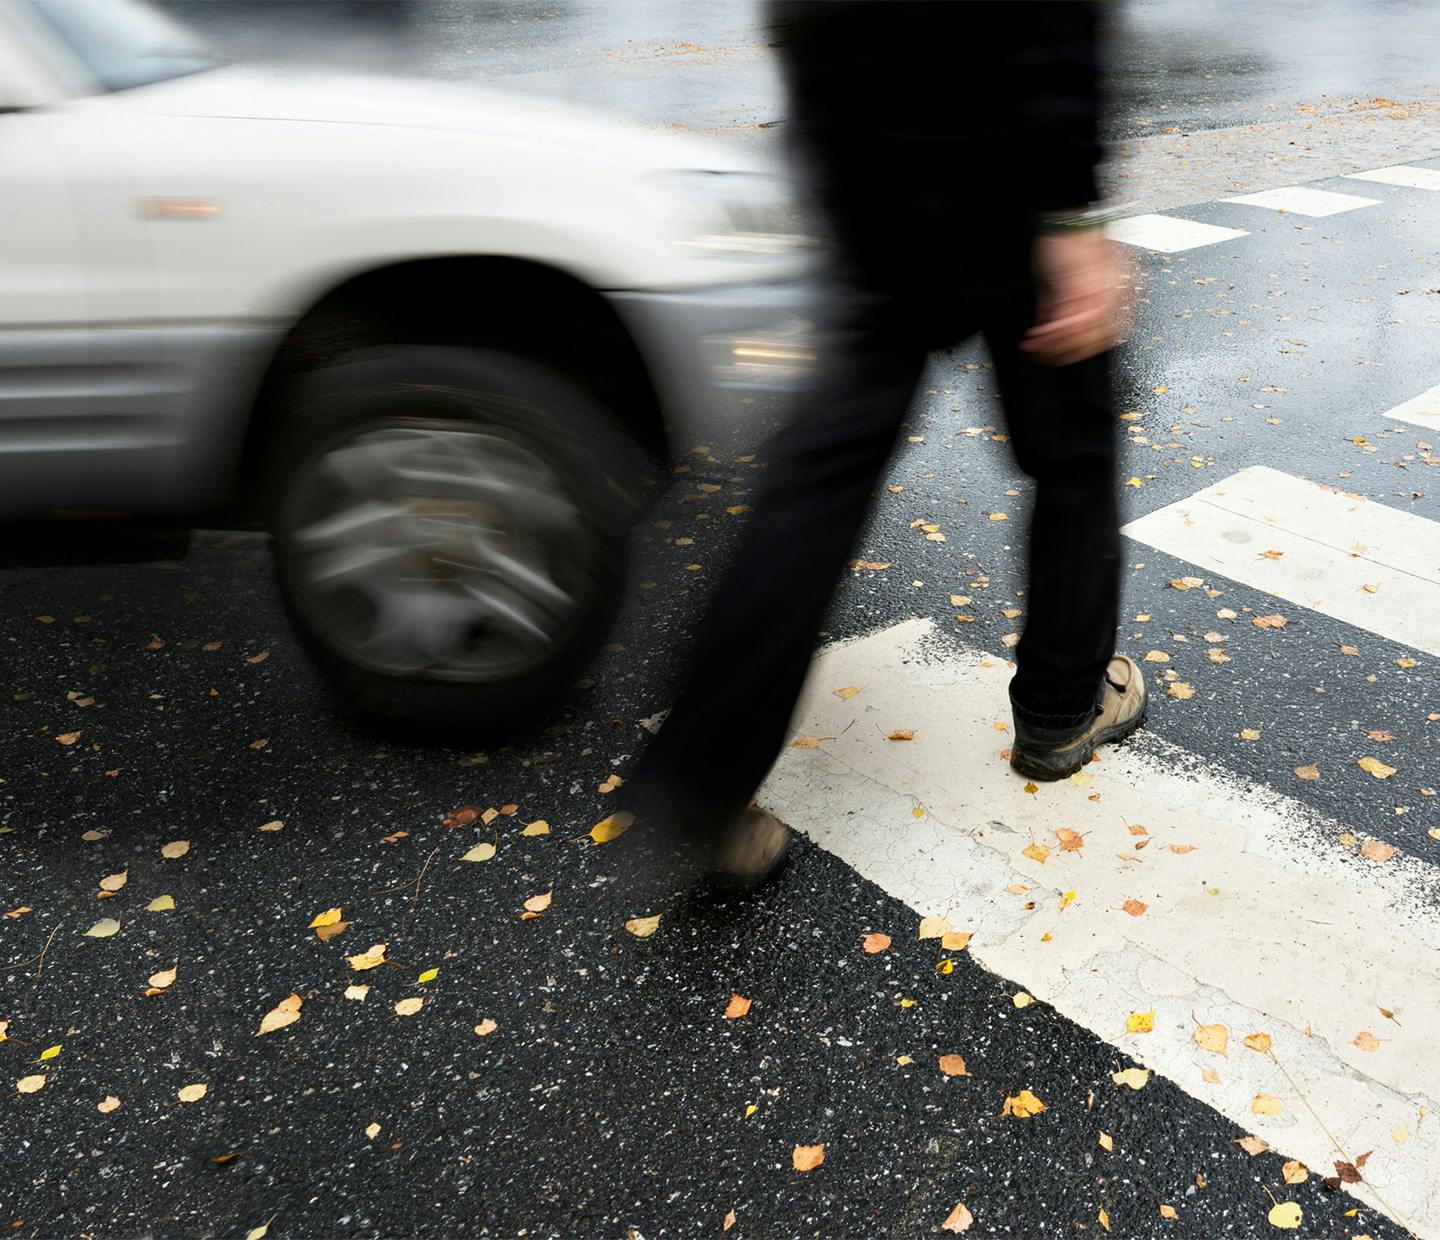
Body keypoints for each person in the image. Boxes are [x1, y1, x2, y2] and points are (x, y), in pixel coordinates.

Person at [624, 0, 1143, 890]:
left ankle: (701, 778)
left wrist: (827, 134)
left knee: (823, 469)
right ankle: (1061, 710)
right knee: (1073, 447)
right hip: (997, 142)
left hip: (857, 138)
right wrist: (1068, 213)